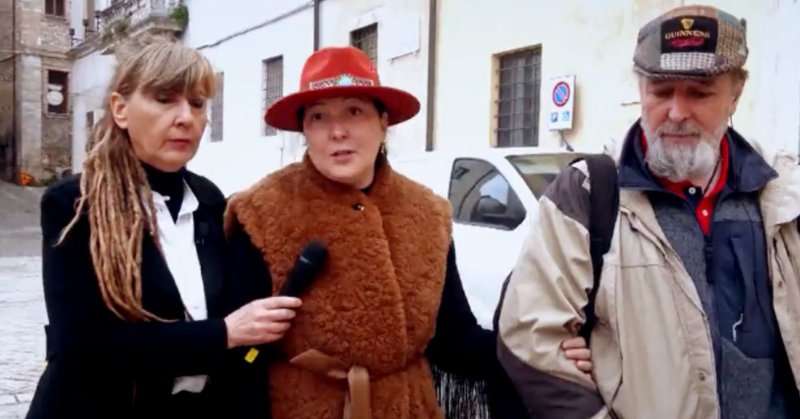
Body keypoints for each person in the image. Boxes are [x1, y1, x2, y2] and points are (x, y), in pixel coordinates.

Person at [222, 46, 592, 419]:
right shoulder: (264, 212)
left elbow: (455, 340)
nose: (337, 131)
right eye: (318, 117)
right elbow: (244, 359)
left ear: (383, 121)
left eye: (354, 111)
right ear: (304, 129)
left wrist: (541, 353)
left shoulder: (427, 214)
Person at [498, 5, 800, 419]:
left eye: (699, 93)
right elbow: (532, 339)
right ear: (640, 89)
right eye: (661, 91)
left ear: (736, 93)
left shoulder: (783, 195)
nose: (677, 113)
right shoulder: (589, 194)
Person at [26, 38, 302, 419]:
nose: (185, 117)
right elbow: (85, 346)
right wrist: (225, 333)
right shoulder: (75, 204)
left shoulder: (209, 200)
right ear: (120, 109)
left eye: (197, 103)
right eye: (164, 99)